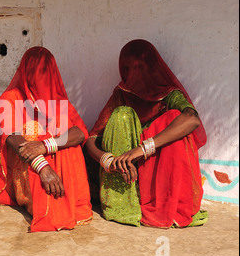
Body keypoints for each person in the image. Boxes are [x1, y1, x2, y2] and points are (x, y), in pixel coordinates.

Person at [84, 39, 208, 228]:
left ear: (152, 68)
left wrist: (142, 149)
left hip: (155, 169)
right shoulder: (122, 94)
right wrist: (108, 161)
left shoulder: (168, 95)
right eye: (127, 68)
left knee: (175, 118)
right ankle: (123, 201)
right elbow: (91, 138)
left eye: (138, 67)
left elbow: (192, 119)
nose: (132, 74)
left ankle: (165, 200)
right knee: (121, 116)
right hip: (125, 170)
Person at [0, 46, 93, 232]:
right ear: (26, 72)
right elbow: (13, 138)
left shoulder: (57, 99)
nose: (40, 78)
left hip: (44, 153)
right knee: (33, 130)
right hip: (30, 166)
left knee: (66, 133)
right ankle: (48, 202)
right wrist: (43, 167)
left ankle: (67, 200)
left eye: (45, 72)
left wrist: (46, 145)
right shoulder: (11, 98)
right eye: (35, 72)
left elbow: (81, 132)